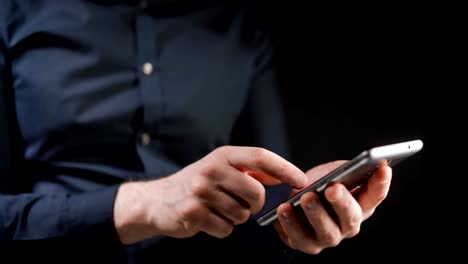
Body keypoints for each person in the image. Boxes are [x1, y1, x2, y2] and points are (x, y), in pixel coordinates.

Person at [0, 0, 392, 263]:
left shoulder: (240, 23)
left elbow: (266, 196)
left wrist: (299, 208)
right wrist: (144, 204)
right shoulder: (13, 13)